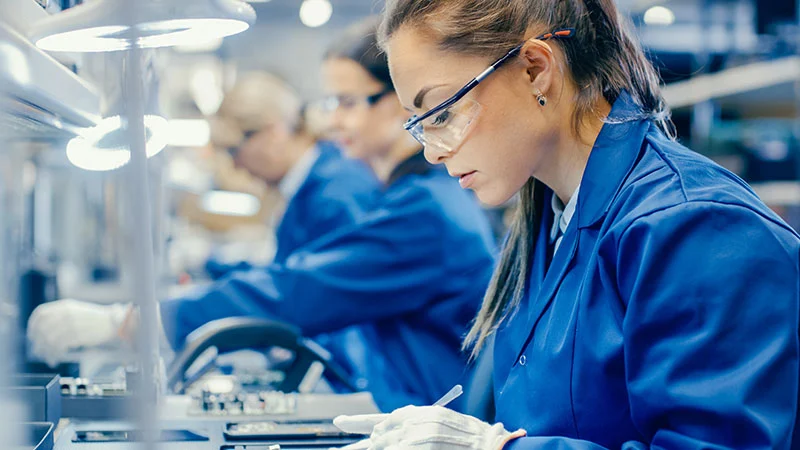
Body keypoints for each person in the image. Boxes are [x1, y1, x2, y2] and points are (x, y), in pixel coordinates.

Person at [331, 0, 800, 449]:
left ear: (536, 68)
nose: (432, 151)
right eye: (418, 124)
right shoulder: (549, 217)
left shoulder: (698, 228)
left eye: (443, 113)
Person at [27, 21, 496, 412]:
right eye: (331, 103)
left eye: (347, 104)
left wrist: (133, 321)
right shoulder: (412, 199)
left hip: (431, 409)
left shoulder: (425, 214)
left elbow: (300, 292)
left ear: (401, 101)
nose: (330, 122)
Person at [202, 72, 380, 276]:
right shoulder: (310, 186)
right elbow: (291, 273)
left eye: (235, 150)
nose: (236, 165)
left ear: (273, 133)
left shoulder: (336, 192)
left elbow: (326, 286)